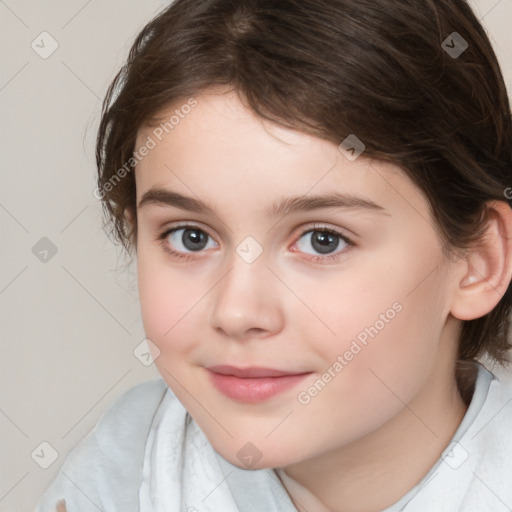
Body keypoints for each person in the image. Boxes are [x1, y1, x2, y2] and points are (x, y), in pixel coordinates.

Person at [35, 0, 512, 510]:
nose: (237, 312)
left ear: (478, 262)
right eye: (190, 237)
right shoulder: (125, 467)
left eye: (322, 240)